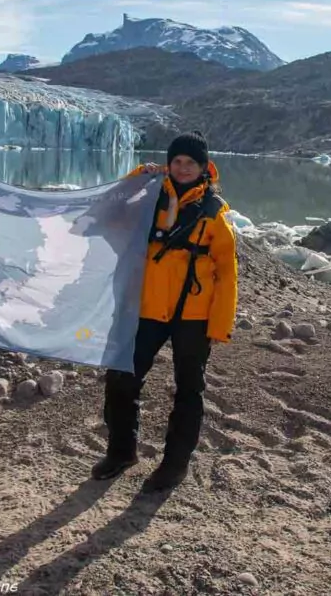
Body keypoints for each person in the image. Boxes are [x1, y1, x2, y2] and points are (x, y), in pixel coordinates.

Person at [90, 131, 239, 492]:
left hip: (194, 314)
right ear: (168, 163)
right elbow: (108, 208)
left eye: (190, 162)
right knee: (121, 378)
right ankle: (122, 451)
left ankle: (174, 465)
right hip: (148, 307)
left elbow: (227, 272)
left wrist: (220, 324)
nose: (183, 168)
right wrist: (140, 174)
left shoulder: (214, 214)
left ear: (204, 167)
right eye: (177, 161)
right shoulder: (147, 197)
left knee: (189, 390)